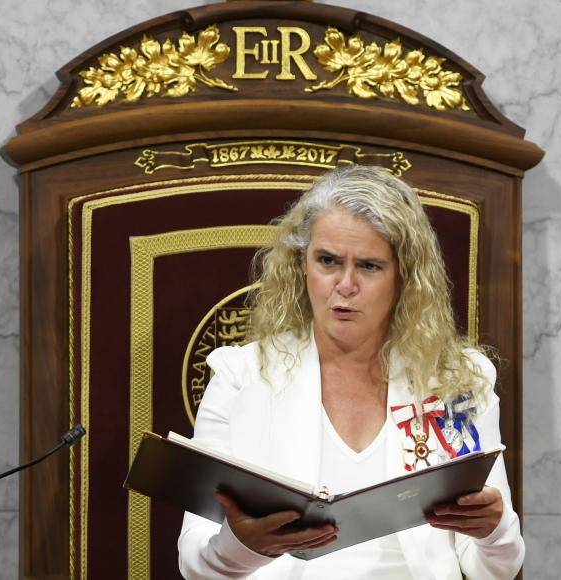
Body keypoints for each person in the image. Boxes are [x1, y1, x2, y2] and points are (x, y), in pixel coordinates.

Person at [177, 165, 524, 579]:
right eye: (328, 261)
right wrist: (245, 547)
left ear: (404, 277)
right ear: (302, 264)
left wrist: (493, 532)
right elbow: (195, 565)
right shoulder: (240, 376)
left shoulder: (458, 380)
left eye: (369, 266)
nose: (345, 285)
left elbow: (497, 569)